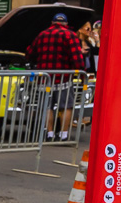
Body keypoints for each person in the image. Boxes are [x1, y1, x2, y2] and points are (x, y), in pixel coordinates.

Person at [26, 12, 85, 142]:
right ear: (66, 24)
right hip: (63, 78)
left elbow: (29, 54)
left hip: (45, 78)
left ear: (52, 23)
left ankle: (50, 133)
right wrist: (82, 73)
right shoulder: (70, 35)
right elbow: (78, 60)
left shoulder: (42, 35)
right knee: (66, 106)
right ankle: (63, 135)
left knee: (47, 106)